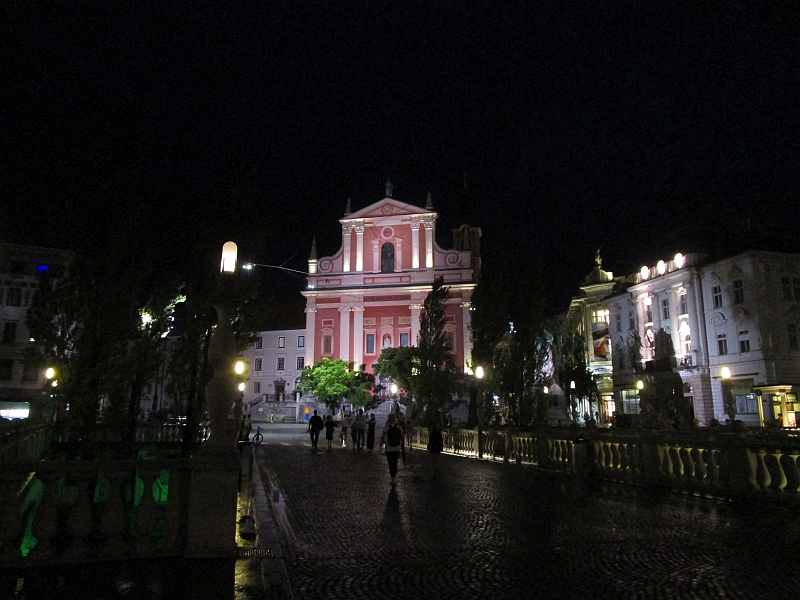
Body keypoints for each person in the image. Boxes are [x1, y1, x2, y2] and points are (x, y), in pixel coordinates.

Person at [380, 413, 405, 486]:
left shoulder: (386, 427)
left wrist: (381, 444)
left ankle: (393, 477)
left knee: (390, 463)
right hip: (397, 447)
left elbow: (383, 437)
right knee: (395, 462)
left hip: (389, 448)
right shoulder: (399, 428)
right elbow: (402, 436)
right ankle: (395, 476)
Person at [427, 409, 445, 478]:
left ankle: (433, 471)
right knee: (436, 457)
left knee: (432, 458)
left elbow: (430, 431)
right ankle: (435, 471)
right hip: (438, 440)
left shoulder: (432, 423)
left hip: (433, 440)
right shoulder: (440, 424)